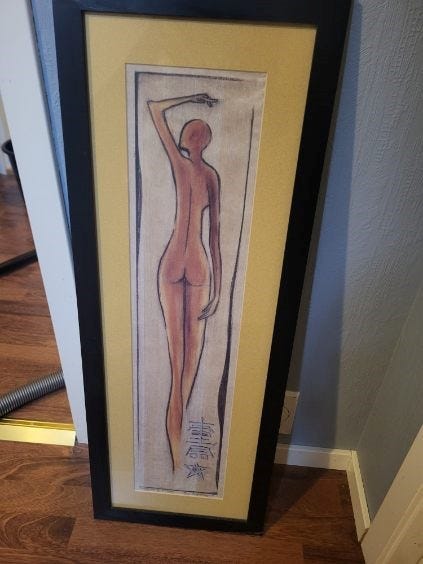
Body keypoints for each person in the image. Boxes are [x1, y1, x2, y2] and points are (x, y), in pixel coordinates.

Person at [147, 93, 222, 470]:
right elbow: (214, 237)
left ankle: (176, 453)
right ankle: (175, 454)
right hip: (190, 263)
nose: (191, 137)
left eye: (194, 132)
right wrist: (193, 96)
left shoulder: (199, 172)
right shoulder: (204, 174)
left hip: (184, 263)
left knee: (183, 364)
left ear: (199, 141)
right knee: (182, 364)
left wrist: (220, 289)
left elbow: (217, 234)